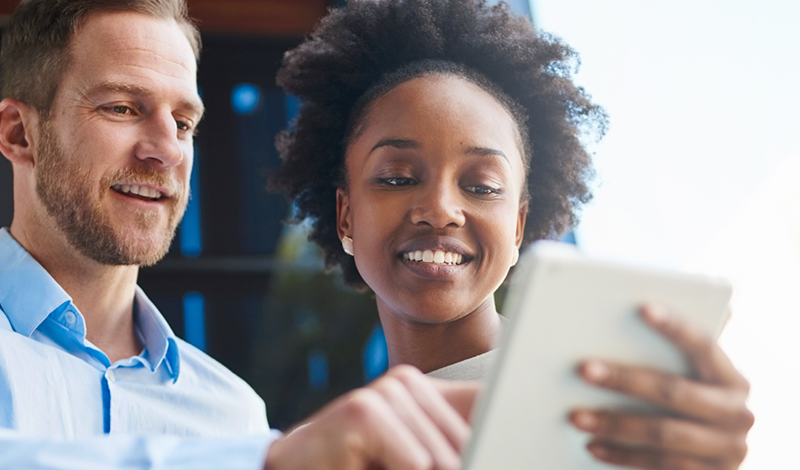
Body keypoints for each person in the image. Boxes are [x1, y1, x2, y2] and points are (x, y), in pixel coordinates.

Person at [0, 1, 478, 469]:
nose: (166, 150)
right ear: (18, 132)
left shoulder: (231, 411)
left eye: (184, 121)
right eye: (123, 107)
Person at [270, 0, 754, 467]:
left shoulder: (606, 408)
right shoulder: (321, 448)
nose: (441, 210)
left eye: (481, 186)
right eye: (397, 177)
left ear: (519, 225)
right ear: (346, 215)